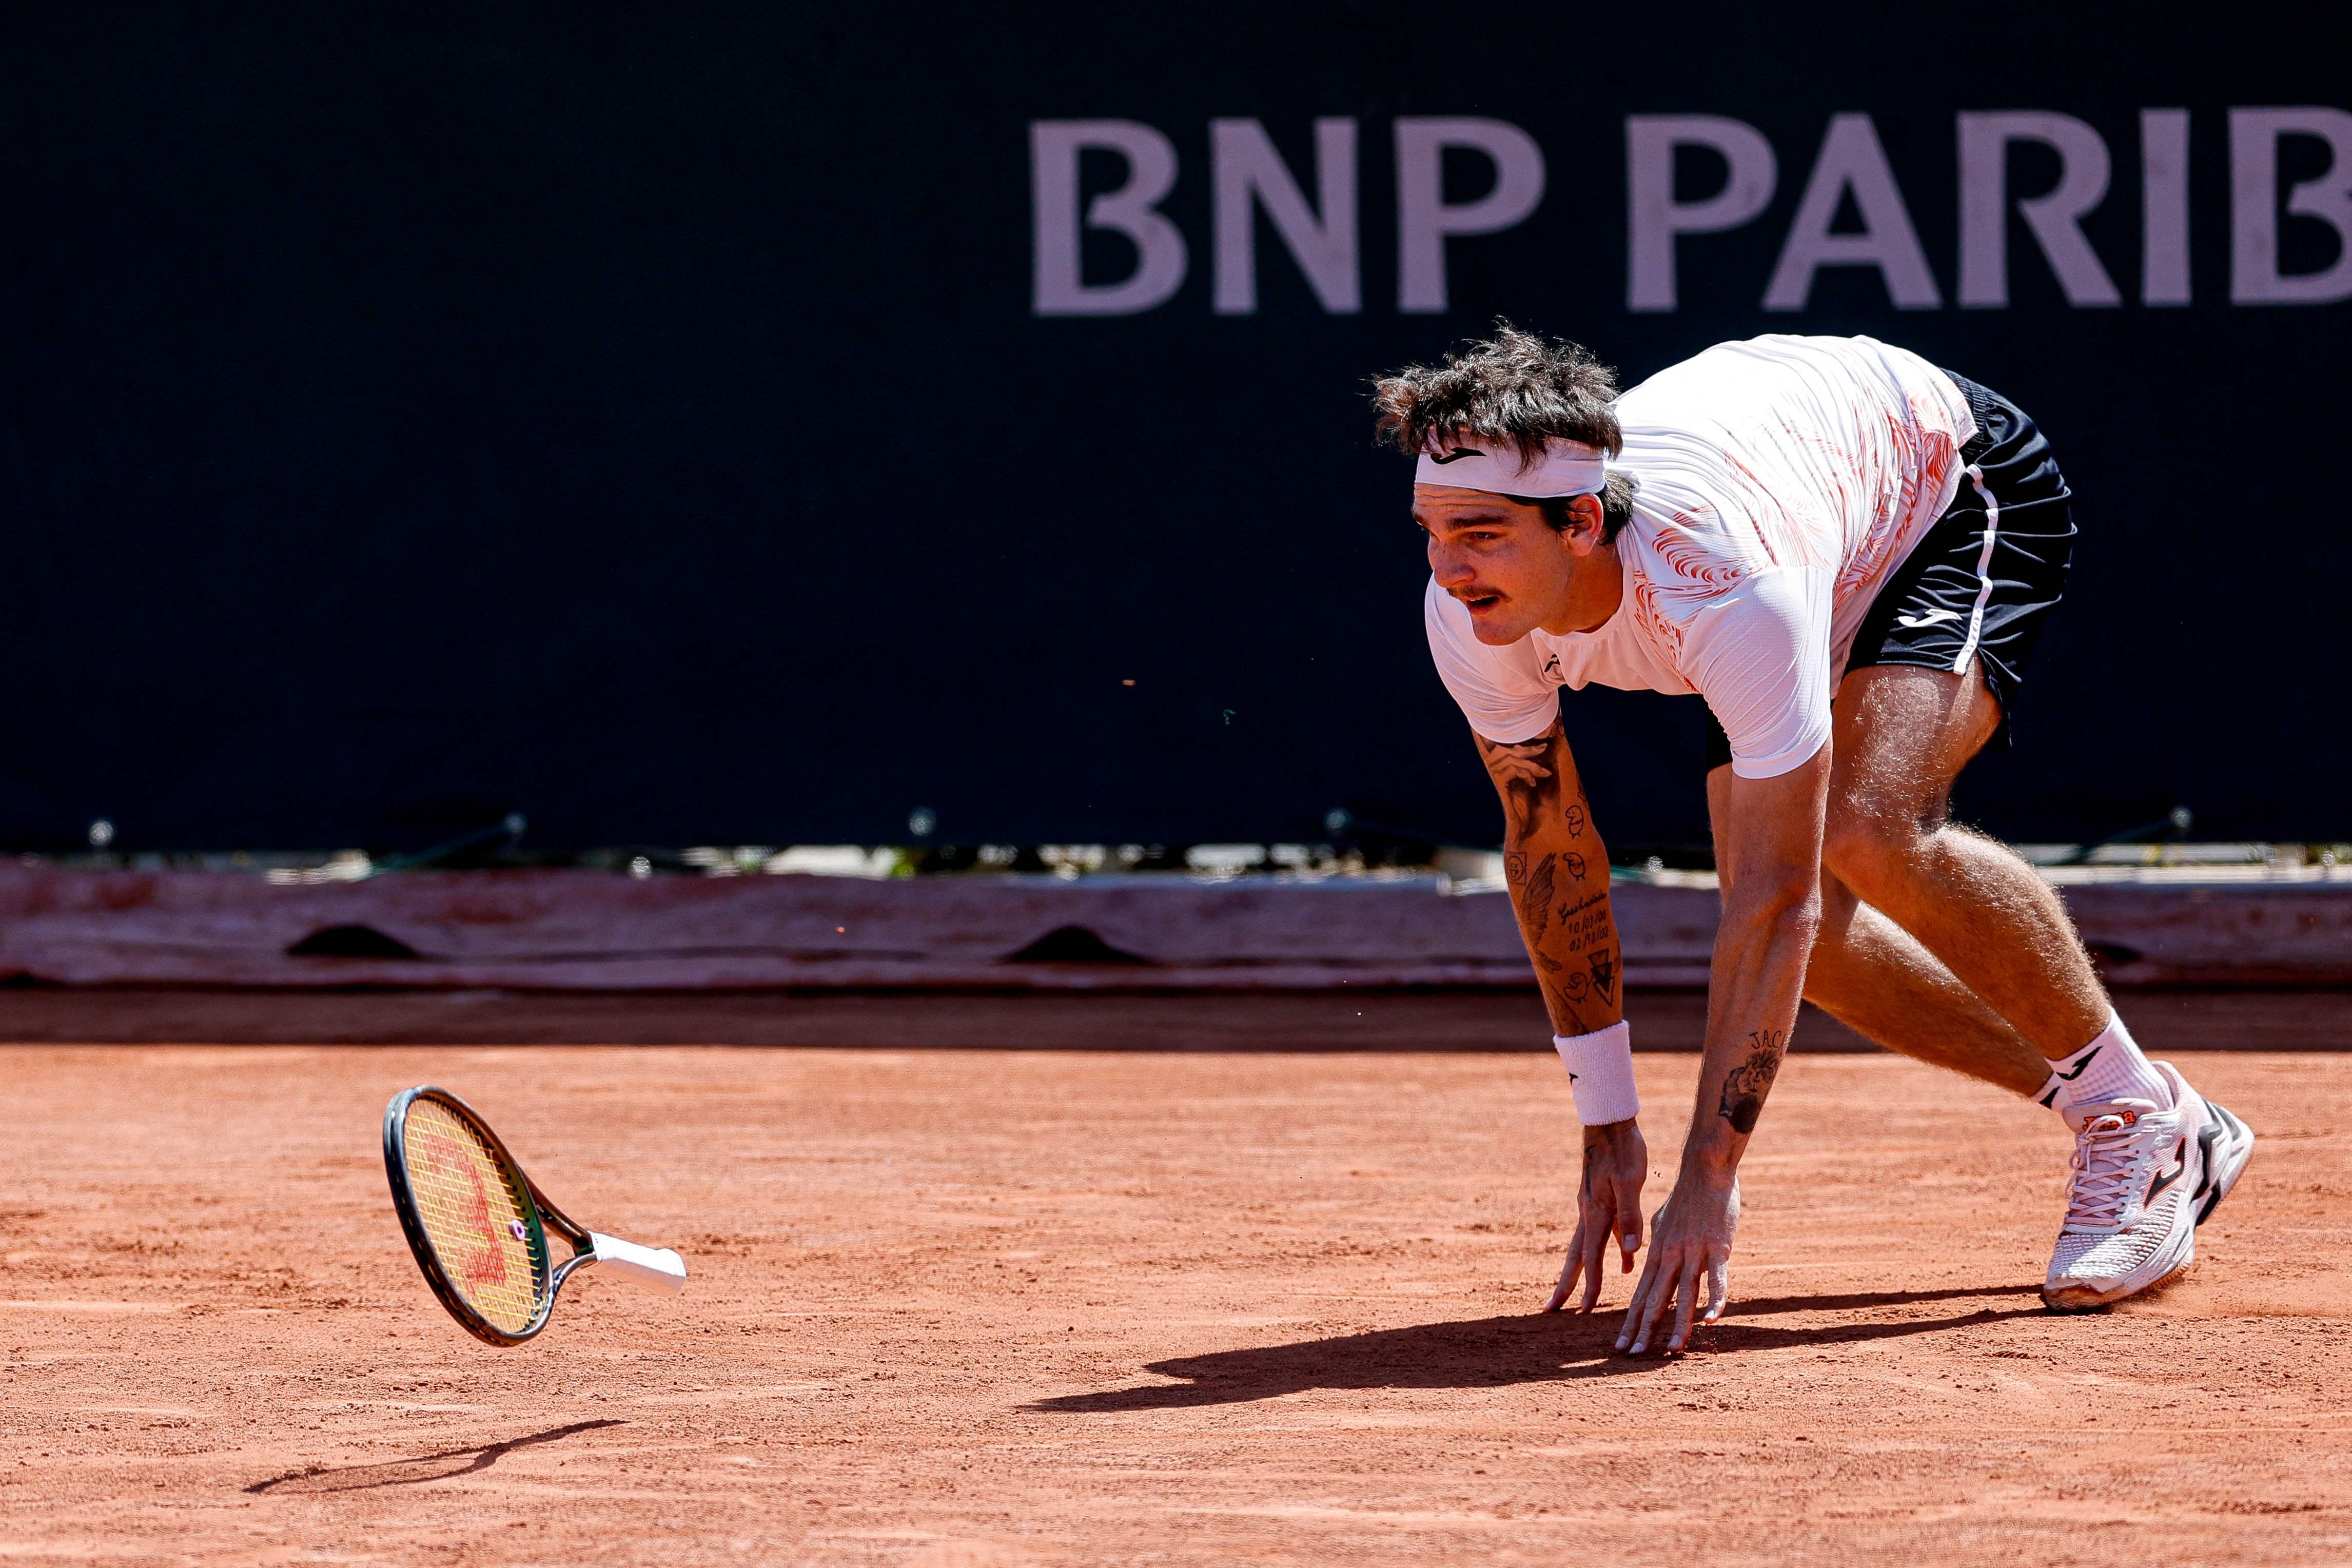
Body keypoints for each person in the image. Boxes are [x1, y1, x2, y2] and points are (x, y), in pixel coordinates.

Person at [1371, 327, 2255, 1353]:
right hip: (1796, 505)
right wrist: (1609, 1122)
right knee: (1820, 949)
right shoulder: (1468, 609)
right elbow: (1551, 849)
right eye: (1431, 530)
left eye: (1478, 532)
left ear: (1577, 520)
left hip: (1936, 480)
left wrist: (1709, 1175)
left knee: (1863, 830)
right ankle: (2141, 1108)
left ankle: (2134, 1116)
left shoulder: (1724, 586)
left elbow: (1773, 900)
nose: (1447, 564)